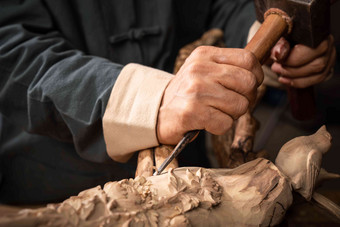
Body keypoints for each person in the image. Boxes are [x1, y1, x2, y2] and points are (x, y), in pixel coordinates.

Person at [0, 0, 335, 204]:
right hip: (50, 189)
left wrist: (259, 43)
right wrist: (147, 102)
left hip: (187, 183)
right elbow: (9, 50)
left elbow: (214, 6)